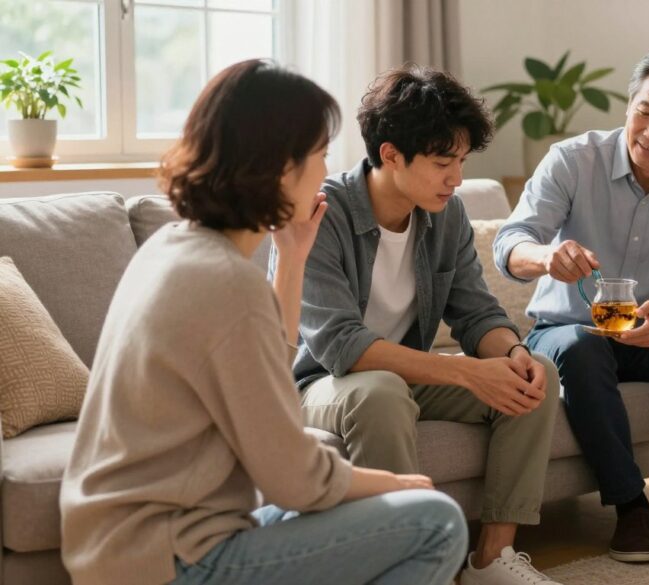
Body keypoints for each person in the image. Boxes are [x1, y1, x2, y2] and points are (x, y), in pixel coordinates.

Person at [59, 60, 468, 585]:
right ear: (279, 167)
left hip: (126, 543)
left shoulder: (175, 248)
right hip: (169, 558)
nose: (326, 171)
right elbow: (295, 480)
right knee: (435, 520)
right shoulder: (226, 281)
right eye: (319, 155)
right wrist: (400, 482)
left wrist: (292, 260)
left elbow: (265, 378)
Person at [280, 65, 563, 585]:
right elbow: (340, 345)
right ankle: (408, 565)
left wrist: (510, 353)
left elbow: (477, 312)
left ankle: (491, 560)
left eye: (460, 160)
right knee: (381, 392)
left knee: (534, 375)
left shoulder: (447, 214)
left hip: (404, 373)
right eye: (441, 162)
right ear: (390, 154)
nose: (456, 178)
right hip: (320, 383)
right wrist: (463, 373)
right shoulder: (323, 214)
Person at [493, 47, 649, 563]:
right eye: (644, 112)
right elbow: (509, 243)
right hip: (567, 332)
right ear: (629, 105)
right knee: (580, 347)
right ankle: (631, 506)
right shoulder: (572, 158)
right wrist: (545, 256)